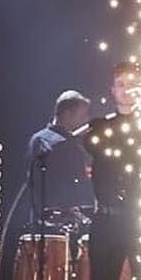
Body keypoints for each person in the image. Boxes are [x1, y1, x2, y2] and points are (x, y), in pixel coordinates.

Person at [77, 62, 141, 280]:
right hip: (106, 220)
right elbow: (98, 146)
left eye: (133, 83)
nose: (127, 89)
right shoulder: (100, 127)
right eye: (121, 83)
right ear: (112, 89)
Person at [26, 90, 94, 220]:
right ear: (67, 115)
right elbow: (79, 187)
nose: (87, 120)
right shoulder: (66, 145)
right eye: (83, 116)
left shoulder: (36, 139)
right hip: (64, 222)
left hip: (37, 219)